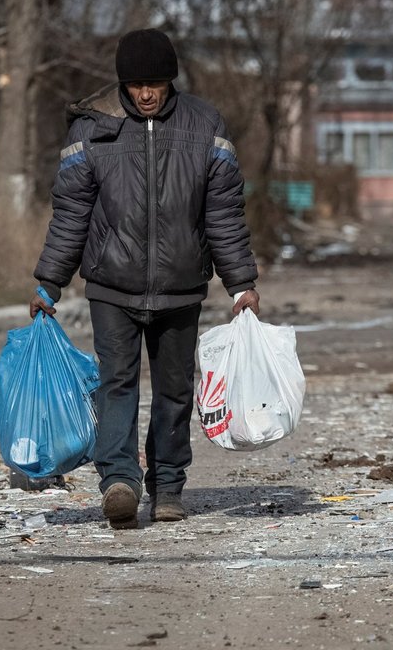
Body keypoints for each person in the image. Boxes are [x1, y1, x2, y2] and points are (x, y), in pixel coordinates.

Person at [29, 28, 260, 529]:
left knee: (176, 389)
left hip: (180, 286)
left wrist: (241, 283)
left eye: (156, 83)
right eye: (137, 85)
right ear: (123, 84)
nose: (147, 94)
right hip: (112, 284)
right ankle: (118, 481)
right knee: (117, 383)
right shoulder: (92, 130)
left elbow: (224, 213)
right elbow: (71, 214)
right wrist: (49, 280)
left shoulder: (205, 126)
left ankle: (169, 485)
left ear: (170, 81)